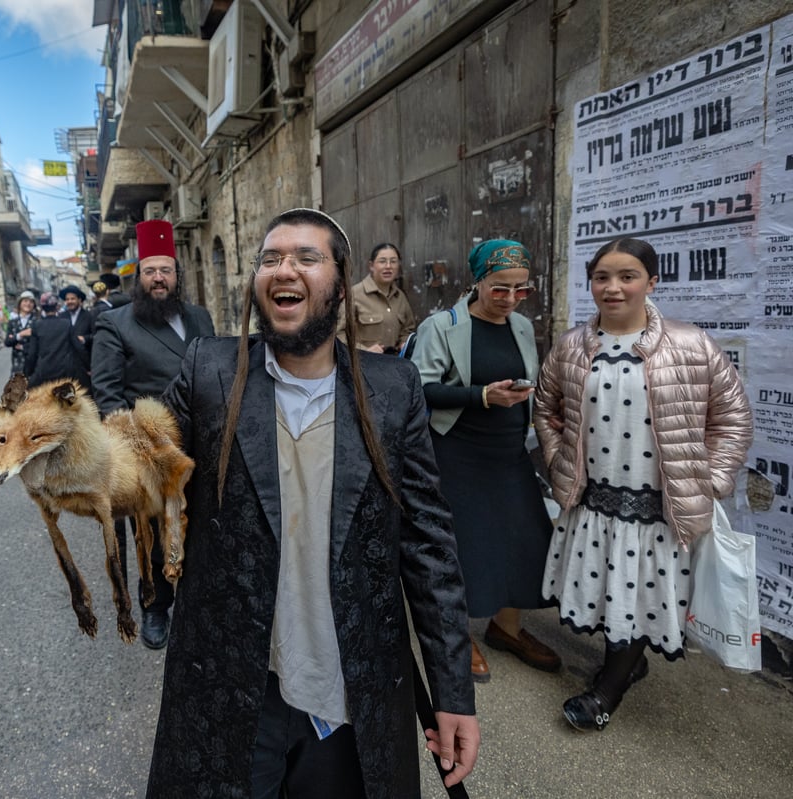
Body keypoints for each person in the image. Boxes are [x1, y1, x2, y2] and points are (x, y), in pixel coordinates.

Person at [150, 208, 478, 797]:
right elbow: (137, 471)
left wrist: (453, 694)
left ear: (340, 279)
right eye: (271, 258)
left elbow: (429, 548)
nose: (284, 270)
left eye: (306, 257)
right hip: (237, 682)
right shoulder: (209, 371)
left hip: (347, 685)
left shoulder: (392, 388)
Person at [534, 237, 753, 731]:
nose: (613, 288)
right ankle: (630, 662)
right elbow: (546, 408)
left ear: (651, 282)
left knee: (636, 593)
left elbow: (732, 416)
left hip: (658, 505)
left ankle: (608, 688)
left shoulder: (691, 344)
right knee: (611, 589)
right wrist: (556, 457)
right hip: (593, 500)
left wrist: (712, 478)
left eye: (627, 276)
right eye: (602, 277)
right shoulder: (571, 346)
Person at [409, 239, 559, 683]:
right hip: (459, 452)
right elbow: (420, 388)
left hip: (509, 453)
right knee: (465, 548)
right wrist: (483, 396)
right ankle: (458, 636)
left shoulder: (522, 327)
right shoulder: (443, 326)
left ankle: (506, 628)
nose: (510, 300)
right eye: (500, 289)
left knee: (527, 540)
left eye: (521, 290)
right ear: (478, 283)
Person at [91, 219, 215, 649]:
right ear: (138, 276)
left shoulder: (200, 317)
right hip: (147, 450)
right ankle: (155, 607)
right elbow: (106, 396)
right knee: (154, 538)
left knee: (199, 528)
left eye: (166, 270)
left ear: (177, 275)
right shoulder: (116, 324)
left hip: (200, 445)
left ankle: (196, 602)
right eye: (150, 271)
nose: (158, 278)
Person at [338, 242, 417, 353]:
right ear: (371, 265)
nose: (388, 266)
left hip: (395, 364)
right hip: (364, 364)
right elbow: (339, 334)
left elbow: (408, 330)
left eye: (393, 261)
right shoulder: (354, 295)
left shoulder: (400, 297)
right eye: (382, 261)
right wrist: (365, 350)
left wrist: (404, 343)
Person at [25, 292, 91, 389]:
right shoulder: (66, 323)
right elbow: (79, 347)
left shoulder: (37, 325)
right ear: (57, 307)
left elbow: (32, 353)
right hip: (65, 372)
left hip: (44, 373)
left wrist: (27, 372)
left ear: (42, 307)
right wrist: (88, 367)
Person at [5, 291, 38, 375]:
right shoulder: (12, 322)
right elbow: (8, 342)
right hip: (17, 366)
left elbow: (40, 343)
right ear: (20, 303)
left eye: (31, 302)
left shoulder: (38, 322)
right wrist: (20, 335)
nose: (28, 304)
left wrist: (23, 347)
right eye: (25, 301)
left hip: (34, 366)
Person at [57, 285, 94, 351]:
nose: (70, 301)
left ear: (79, 300)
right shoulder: (61, 317)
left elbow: (95, 335)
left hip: (84, 357)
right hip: (66, 357)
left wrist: (85, 339)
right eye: (67, 299)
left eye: (72, 299)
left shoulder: (89, 316)